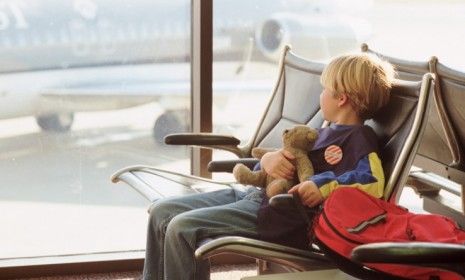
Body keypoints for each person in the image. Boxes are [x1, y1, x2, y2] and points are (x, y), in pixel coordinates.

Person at [141, 52, 396, 280]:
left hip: (276, 212)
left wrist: (321, 187)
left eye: (324, 89)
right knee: (161, 211)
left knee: (181, 227)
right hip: (256, 194)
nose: (320, 95)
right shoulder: (325, 131)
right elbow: (293, 159)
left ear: (341, 98)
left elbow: (372, 181)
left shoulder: (359, 137)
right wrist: (267, 160)